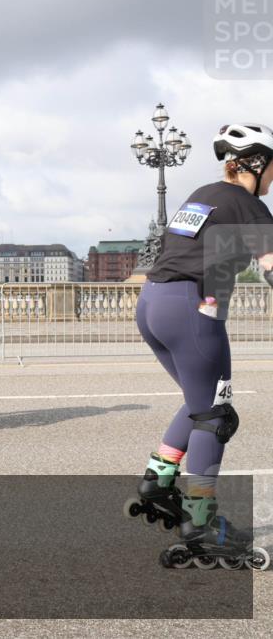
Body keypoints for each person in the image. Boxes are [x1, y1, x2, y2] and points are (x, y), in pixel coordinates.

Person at [131, 123, 273, 565]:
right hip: (193, 308)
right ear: (255, 163)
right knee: (216, 415)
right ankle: (201, 520)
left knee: (200, 400)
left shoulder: (203, 194)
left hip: (153, 303)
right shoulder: (248, 205)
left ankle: (159, 477)